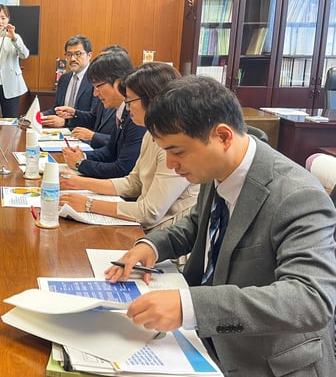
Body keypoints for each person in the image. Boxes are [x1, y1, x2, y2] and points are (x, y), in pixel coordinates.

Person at [106, 76, 336, 376]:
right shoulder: (217, 167)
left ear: (223, 136)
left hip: (266, 361)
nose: (172, 164)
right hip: (204, 341)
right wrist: (150, 245)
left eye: (178, 151)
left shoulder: (296, 195)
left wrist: (192, 307)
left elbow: (311, 300)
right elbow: (198, 223)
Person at [60, 63, 199, 231]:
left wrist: (89, 204)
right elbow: (133, 182)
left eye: (130, 101)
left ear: (153, 99)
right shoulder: (150, 134)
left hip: (165, 235)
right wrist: (78, 182)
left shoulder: (177, 144)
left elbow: (150, 212)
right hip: (145, 228)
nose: (127, 107)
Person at [61, 48, 145, 179]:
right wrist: (82, 156)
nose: (95, 93)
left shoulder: (137, 116)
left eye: (98, 86)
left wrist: (81, 164)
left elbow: (122, 169)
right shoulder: (122, 111)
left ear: (118, 83)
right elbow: (110, 151)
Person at [41, 35, 98, 128]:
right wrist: (42, 116)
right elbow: (56, 109)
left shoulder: (96, 80)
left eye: (78, 54)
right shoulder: (64, 79)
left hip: (83, 134)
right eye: (69, 54)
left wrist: (66, 123)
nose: (72, 59)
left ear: (89, 55)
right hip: (60, 133)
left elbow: (94, 117)